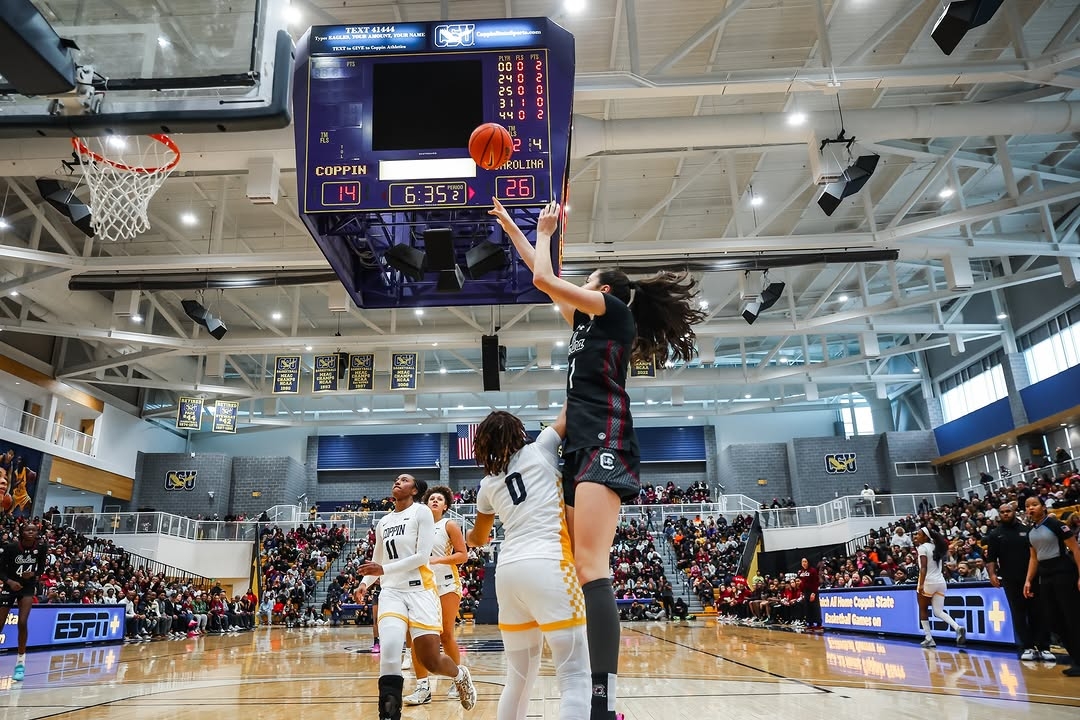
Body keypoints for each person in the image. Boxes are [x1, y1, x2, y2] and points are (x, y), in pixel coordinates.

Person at [490, 198, 704, 720]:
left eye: (587, 280)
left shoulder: (615, 313)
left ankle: (601, 703)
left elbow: (545, 280)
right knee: (580, 563)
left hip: (606, 438)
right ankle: (592, 698)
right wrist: (516, 230)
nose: (577, 285)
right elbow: (548, 276)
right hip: (579, 443)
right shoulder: (587, 323)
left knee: (592, 565)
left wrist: (541, 230)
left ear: (602, 290)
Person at [466, 406, 590, 720]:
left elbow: (478, 539)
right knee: (574, 676)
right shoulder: (542, 447)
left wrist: (464, 535)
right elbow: (567, 414)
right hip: (548, 563)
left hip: (508, 573)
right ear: (519, 433)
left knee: (518, 678)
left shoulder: (487, 485)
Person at [353, 473, 476, 718]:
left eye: (404, 480)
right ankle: (388, 715)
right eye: (397, 479)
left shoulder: (422, 513)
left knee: (430, 659)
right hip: (391, 592)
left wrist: (383, 569)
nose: (397, 481)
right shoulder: (384, 522)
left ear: (414, 490)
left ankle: (460, 675)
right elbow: (378, 559)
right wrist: (365, 583)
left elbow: (421, 557)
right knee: (390, 650)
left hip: (421, 591)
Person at [404, 485, 469, 705]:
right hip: (421, 585)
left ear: (446, 506)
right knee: (416, 638)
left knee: (446, 635)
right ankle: (423, 687)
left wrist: (437, 560)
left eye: (439, 499)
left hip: (446, 584)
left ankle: (456, 680)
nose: (434, 501)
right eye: (431, 498)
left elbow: (463, 555)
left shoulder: (448, 524)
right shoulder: (416, 526)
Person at [985, 502, 1054, 662]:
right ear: (999, 515)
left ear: (1014, 512)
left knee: (1038, 611)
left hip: (1032, 578)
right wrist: (992, 574)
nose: (1006, 514)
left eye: (1008, 511)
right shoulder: (995, 535)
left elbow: (1035, 555)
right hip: (1010, 580)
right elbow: (991, 558)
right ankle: (1027, 646)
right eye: (1002, 512)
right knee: (1019, 613)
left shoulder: (1027, 530)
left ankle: (1044, 647)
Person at [1022, 495, 1080, 676]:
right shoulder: (1031, 532)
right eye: (1027, 506)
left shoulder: (1056, 524)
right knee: (1054, 619)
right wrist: (1028, 580)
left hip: (1063, 572)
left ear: (1043, 507)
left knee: (1072, 617)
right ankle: (1076, 658)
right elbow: (1033, 558)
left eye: (1034, 505)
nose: (1031, 508)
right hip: (1045, 576)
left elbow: (1075, 549)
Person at [0, 522, 48, 681]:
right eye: (28, 529)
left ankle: (20, 663)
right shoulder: (11, 547)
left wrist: (33, 574)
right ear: (22, 532)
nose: (31, 532)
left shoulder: (41, 547)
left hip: (27, 587)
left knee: (22, 622)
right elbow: (1, 569)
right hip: (10, 585)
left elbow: (41, 569)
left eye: (34, 530)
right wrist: (9, 582)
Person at [914, 526, 965, 648]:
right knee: (938, 611)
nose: (916, 536)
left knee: (923, 609)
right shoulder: (937, 547)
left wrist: (921, 584)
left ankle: (929, 638)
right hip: (940, 582)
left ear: (925, 536)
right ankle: (957, 627)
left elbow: (923, 567)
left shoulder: (922, 548)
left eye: (919, 534)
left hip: (928, 581)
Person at [796, 557, 822, 630]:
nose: (804, 563)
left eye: (805, 561)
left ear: (808, 562)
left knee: (815, 608)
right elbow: (801, 583)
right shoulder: (801, 572)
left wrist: (813, 593)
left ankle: (818, 623)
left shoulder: (812, 570)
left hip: (813, 591)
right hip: (805, 592)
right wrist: (801, 591)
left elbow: (816, 582)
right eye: (802, 562)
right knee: (807, 608)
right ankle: (810, 623)